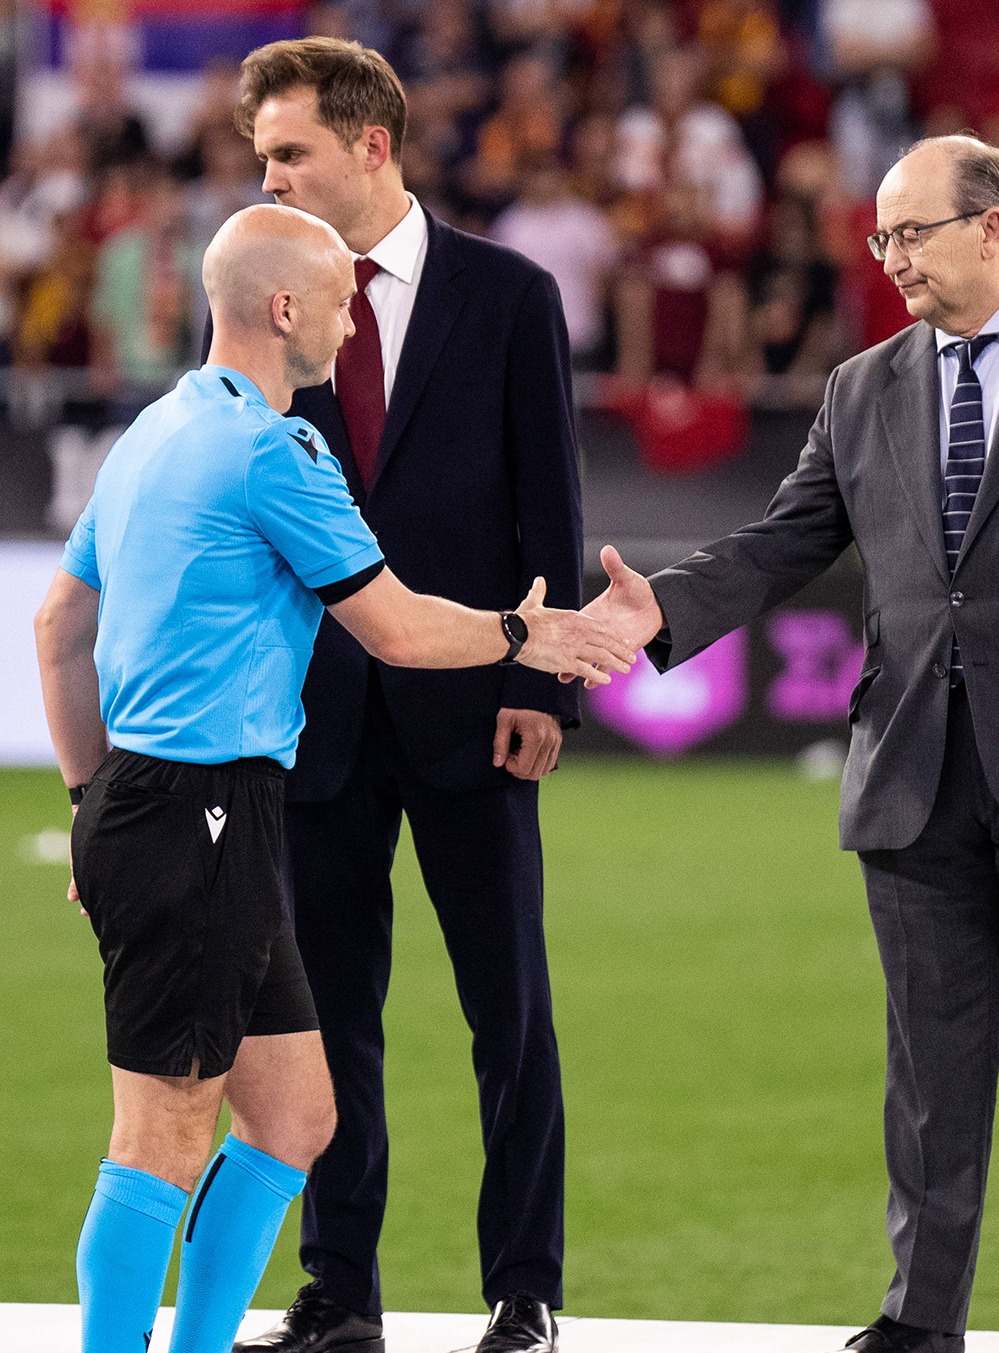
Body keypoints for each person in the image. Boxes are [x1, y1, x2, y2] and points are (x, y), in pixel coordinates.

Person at [579, 135, 999, 1353]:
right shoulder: (862, 384)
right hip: (913, 768)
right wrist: (666, 605)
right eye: (881, 238)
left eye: (913, 233)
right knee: (929, 1071)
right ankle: (922, 1314)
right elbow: (787, 538)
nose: (891, 258)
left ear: (993, 226)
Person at [34, 202, 631, 1353]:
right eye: (340, 301)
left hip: (181, 809)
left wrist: (87, 801)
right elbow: (396, 629)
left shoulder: (155, 430)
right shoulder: (276, 451)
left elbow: (59, 625)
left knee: (298, 1116)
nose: (355, 321)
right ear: (283, 307)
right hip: (201, 814)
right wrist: (527, 633)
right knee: (160, 1133)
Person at [229, 37, 583, 1353]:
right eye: (263, 156)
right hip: (309, 721)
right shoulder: (269, 301)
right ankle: (341, 1293)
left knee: (510, 1014)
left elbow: (550, 499)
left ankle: (525, 1291)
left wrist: (542, 683)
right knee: (326, 1021)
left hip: (477, 708)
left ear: (371, 144)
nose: (269, 177)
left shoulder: (510, 294)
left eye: (289, 153)